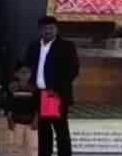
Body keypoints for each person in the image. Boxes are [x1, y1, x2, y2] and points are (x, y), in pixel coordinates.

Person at [26, 16, 80, 156]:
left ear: (57, 29)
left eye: (52, 28)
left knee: (61, 131)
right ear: (40, 30)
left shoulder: (66, 46)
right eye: (45, 28)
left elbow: (73, 70)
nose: (48, 31)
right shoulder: (33, 46)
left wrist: (55, 89)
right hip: (39, 94)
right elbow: (27, 67)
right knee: (43, 132)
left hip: (55, 94)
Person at [4, 62, 38, 156]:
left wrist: (36, 120)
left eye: (28, 72)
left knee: (31, 148)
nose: (25, 75)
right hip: (16, 122)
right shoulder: (12, 88)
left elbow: (37, 106)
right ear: (16, 74)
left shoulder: (34, 88)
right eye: (22, 72)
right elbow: (9, 105)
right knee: (16, 148)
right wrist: (9, 119)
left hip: (31, 123)